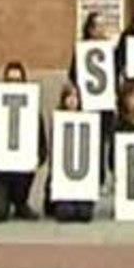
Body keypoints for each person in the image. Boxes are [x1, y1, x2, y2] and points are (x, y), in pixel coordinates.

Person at [0, 61, 48, 222]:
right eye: (10, 81)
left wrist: (38, 160)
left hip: (22, 175)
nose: (14, 85)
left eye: (18, 81)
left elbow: (42, 144)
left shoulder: (33, 112)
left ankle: (21, 202)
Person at [69, 11, 115, 191]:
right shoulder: (82, 49)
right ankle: (94, 178)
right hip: (88, 102)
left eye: (104, 26)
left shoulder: (109, 49)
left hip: (106, 102)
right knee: (91, 141)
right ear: (90, 29)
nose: (102, 30)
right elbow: (73, 74)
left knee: (106, 140)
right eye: (99, 26)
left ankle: (105, 176)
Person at [44, 82, 96, 223]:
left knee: (85, 214)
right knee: (65, 213)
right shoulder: (57, 121)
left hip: (82, 180)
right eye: (68, 96)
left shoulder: (89, 121)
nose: (72, 100)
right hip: (63, 180)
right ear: (63, 100)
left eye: (75, 96)